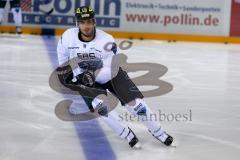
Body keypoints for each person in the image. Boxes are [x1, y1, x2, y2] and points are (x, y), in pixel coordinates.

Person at [57, 6, 173, 148]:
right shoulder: (67, 37)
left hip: (111, 74)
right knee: (101, 107)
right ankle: (127, 135)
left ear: (94, 22)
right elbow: (63, 57)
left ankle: (158, 131)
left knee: (136, 104)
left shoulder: (106, 40)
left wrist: (93, 75)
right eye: (82, 22)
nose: (86, 26)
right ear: (77, 24)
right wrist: (66, 74)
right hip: (85, 79)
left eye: (88, 22)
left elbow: (111, 69)